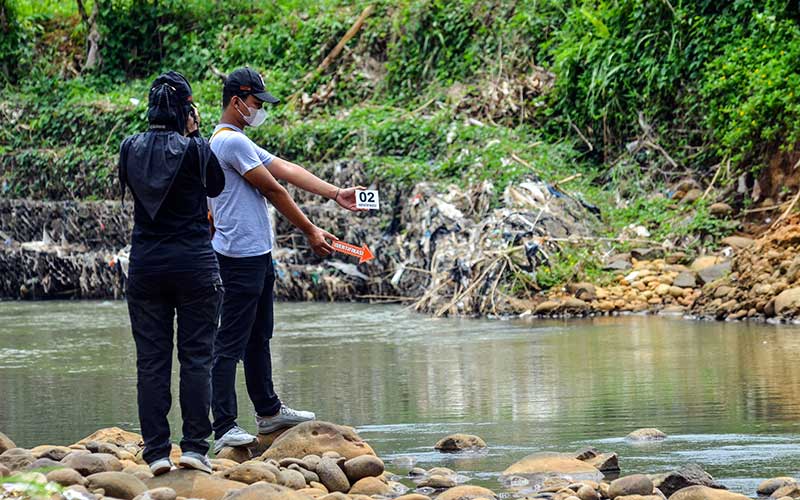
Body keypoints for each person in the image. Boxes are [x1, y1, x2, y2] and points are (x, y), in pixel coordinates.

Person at [209, 67, 364, 453]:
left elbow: (287, 169)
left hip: (258, 255)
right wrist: (311, 230)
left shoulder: (239, 140)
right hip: (237, 257)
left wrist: (335, 193)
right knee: (230, 341)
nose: (259, 109)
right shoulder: (229, 143)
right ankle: (224, 424)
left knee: (259, 336)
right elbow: (275, 189)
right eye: (256, 103)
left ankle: (268, 411)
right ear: (236, 102)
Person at [119, 71, 225, 475]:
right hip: (195, 264)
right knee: (197, 357)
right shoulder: (196, 149)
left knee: (151, 361)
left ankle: (158, 453)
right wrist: (194, 134)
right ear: (187, 111)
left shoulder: (129, 148)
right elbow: (214, 186)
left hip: (146, 266)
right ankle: (196, 448)